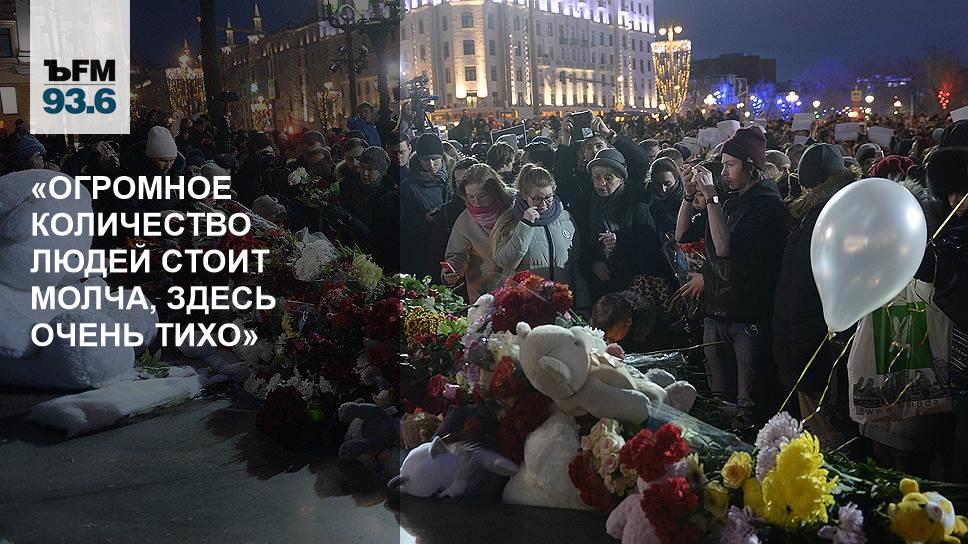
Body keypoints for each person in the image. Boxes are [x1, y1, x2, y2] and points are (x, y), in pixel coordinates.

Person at [691, 126, 788, 426]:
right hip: (717, 310)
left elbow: (723, 249)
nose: (724, 172)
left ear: (750, 166)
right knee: (720, 401)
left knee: (747, 406)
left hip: (747, 316)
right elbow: (685, 235)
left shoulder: (766, 204)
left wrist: (712, 198)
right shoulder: (733, 198)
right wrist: (690, 193)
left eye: (730, 165)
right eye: (722, 165)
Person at [772, 143, 860, 448]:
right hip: (819, 342)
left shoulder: (816, 221)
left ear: (806, 183)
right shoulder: (838, 215)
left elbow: (801, 291)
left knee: (824, 435)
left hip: (814, 344)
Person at [490, 164, 590, 311]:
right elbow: (505, 262)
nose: (543, 204)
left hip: (562, 306)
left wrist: (583, 305)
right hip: (527, 307)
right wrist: (525, 225)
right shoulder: (510, 221)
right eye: (536, 199)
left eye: (548, 197)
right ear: (524, 195)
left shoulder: (566, 218)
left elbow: (576, 265)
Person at [441, 164, 514, 301]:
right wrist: (451, 271)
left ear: (494, 191)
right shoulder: (465, 221)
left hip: (518, 288)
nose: (476, 202)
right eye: (470, 197)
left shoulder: (514, 209)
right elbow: (456, 254)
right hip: (484, 294)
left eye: (482, 196)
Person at [401, 133, 451, 280]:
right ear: (418, 159)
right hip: (426, 249)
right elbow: (404, 223)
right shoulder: (409, 186)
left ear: (441, 157)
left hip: (453, 246)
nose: (431, 164)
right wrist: (425, 219)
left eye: (435, 159)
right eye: (425, 160)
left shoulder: (453, 177)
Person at [341, 146, 399, 270]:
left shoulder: (390, 197)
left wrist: (353, 221)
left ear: (381, 172)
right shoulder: (351, 188)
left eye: (370, 169)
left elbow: (386, 237)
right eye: (362, 167)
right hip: (352, 252)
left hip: (378, 259)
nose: (365, 173)